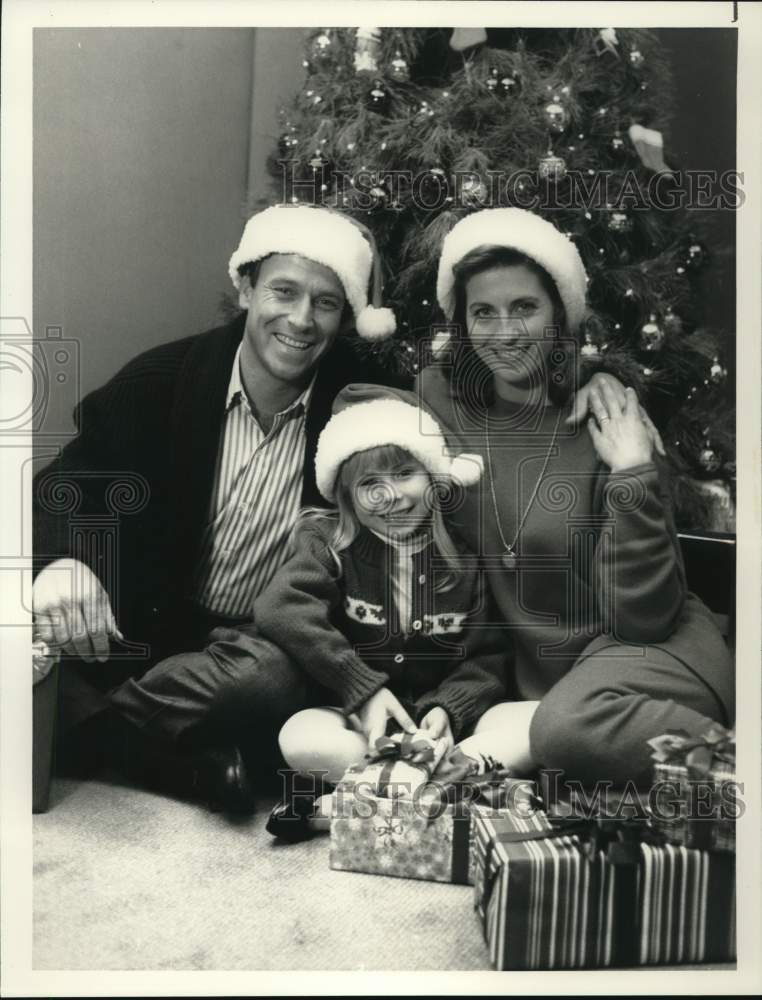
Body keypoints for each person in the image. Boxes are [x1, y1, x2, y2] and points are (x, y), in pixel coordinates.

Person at [31, 203, 402, 814]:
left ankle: (100, 734)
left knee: (272, 682)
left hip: (253, 645)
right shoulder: (161, 380)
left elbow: (447, 434)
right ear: (246, 288)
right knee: (42, 624)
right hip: (135, 625)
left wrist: (595, 378)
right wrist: (59, 564)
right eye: (283, 291)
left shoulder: (357, 409)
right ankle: (161, 750)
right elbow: (62, 488)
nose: (301, 320)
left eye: (326, 303)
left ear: (345, 318)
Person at [404, 206, 734, 784]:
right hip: (550, 683)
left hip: (645, 658)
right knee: (526, 738)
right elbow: (350, 411)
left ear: (560, 316)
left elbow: (646, 618)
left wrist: (632, 470)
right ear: (461, 324)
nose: (504, 333)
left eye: (525, 308)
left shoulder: (609, 417)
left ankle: (733, 765)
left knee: (564, 730)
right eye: (484, 312)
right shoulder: (438, 398)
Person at [245, 388, 511, 841]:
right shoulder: (327, 543)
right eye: (370, 485)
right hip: (355, 722)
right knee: (300, 737)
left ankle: (340, 807)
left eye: (405, 473)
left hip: (440, 729)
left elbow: (486, 657)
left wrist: (449, 707)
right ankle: (434, 791)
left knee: (523, 727)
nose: (392, 495)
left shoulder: (464, 560)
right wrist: (360, 687)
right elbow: (282, 607)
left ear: (433, 477)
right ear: (347, 497)